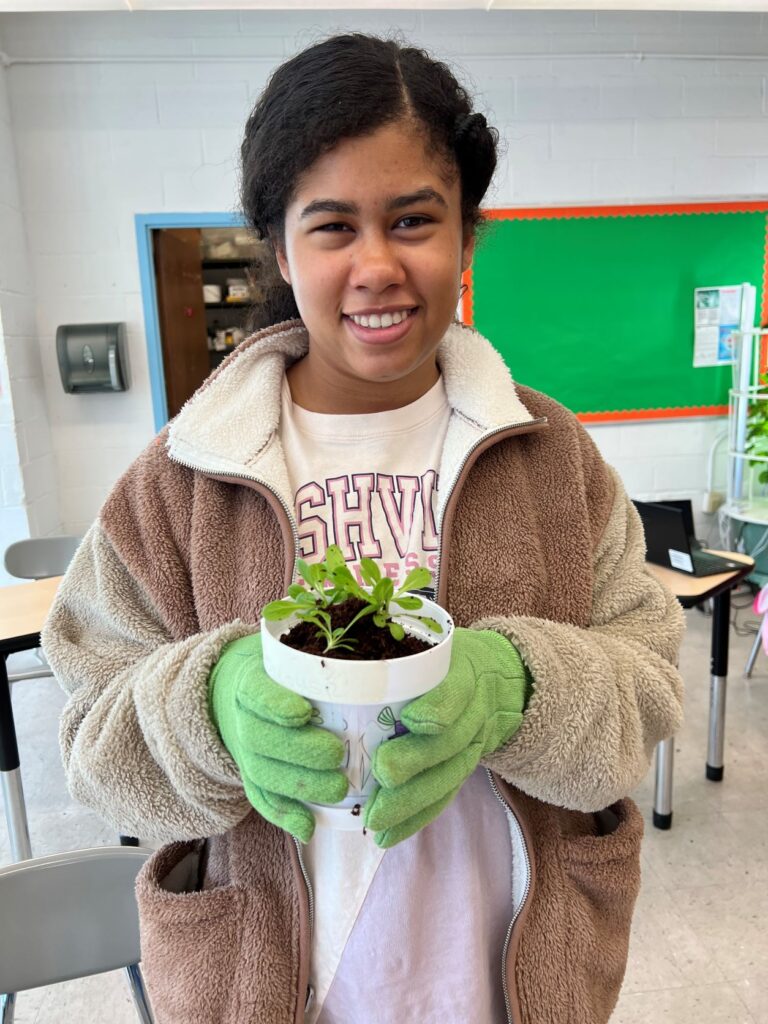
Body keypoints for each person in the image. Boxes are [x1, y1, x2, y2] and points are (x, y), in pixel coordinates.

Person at [42, 33, 684, 1024]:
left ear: (466, 235)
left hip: (509, 977)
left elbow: (646, 686)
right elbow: (92, 738)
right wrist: (207, 704)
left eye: (414, 219)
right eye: (333, 226)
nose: (377, 264)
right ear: (280, 247)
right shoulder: (178, 481)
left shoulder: (554, 458)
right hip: (272, 986)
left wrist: (518, 687)